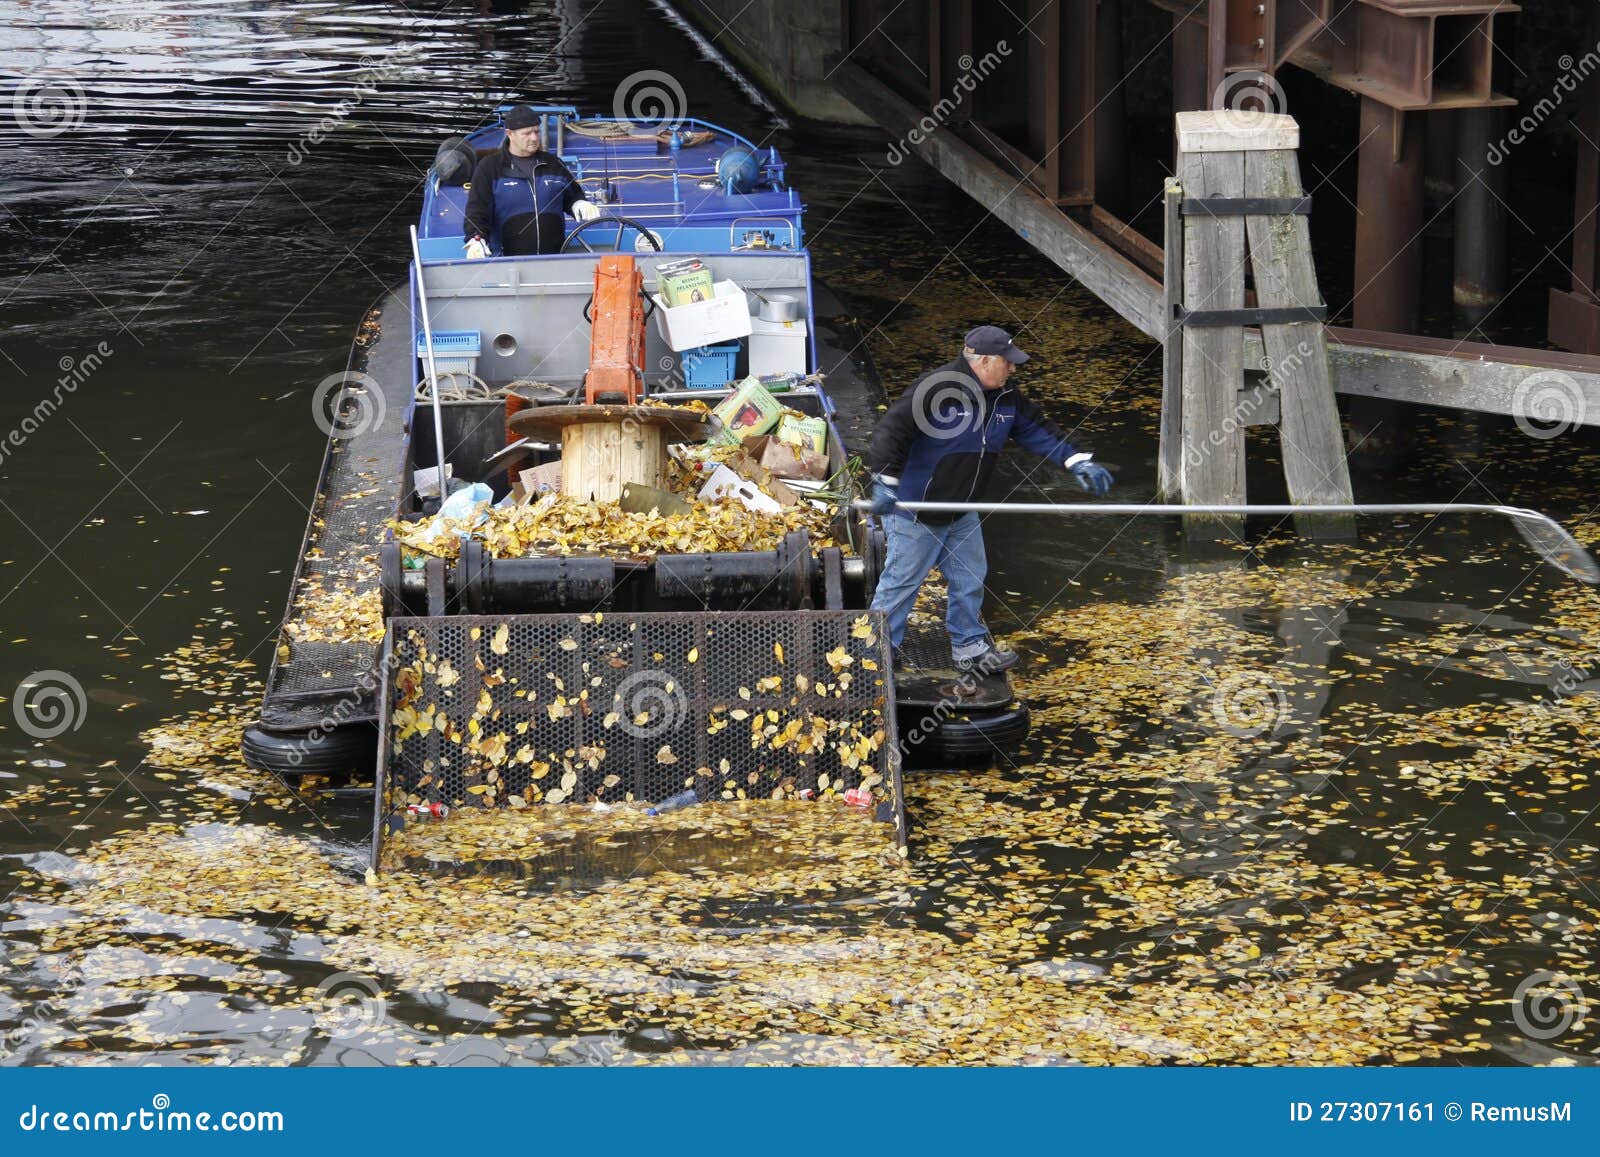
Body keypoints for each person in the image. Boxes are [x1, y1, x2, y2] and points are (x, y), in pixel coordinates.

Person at [864, 325, 1113, 673]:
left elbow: (1036, 428)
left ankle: (968, 646)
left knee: (970, 578)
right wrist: (885, 481)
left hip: (962, 509)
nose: (1013, 368)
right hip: (918, 508)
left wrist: (1075, 461)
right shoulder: (936, 389)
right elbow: (892, 429)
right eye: (1007, 362)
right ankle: (874, 654)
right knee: (901, 583)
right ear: (983, 361)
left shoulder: (1006, 397)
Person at [463, 105, 597, 257]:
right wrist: (475, 239)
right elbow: (477, 211)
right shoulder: (489, 168)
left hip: (554, 260)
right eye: (527, 133)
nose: (534, 138)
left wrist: (578, 202)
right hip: (506, 264)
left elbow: (571, 195)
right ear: (510, 134)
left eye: (536, 131)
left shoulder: (553, 164)